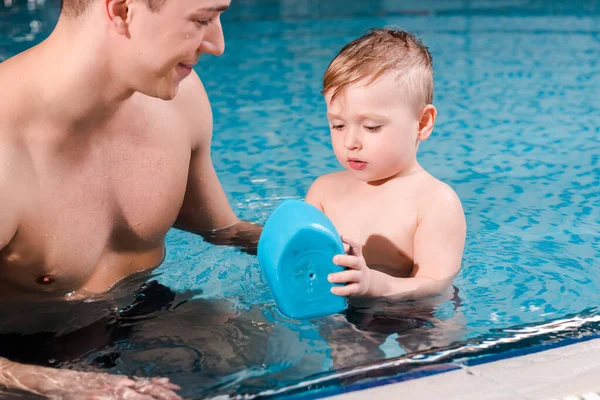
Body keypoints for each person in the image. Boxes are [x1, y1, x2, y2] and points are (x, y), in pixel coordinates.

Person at [0, 0, 262, 397]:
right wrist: (60, 386)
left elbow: (222, 228)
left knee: (276, 351)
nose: (217, 43)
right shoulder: (5, 145)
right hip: (19, 357)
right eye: (202, 20)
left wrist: (324, 252)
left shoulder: (180, 98)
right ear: (122, 10)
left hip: (143, 315)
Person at [305, 28, 467, 300]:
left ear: (423, 123)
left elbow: (436, 284)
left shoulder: (435, 202)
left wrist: (376, 285)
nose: (350, 142)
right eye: (338, 125)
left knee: (437, 339)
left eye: (371, 127)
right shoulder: (323, 192)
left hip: (414, 312)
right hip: (341, 305)